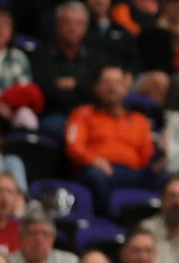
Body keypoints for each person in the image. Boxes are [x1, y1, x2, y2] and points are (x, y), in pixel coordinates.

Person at [65, 65, 159, 216]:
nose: (112, 87)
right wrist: (92, 160)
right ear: (96, 87)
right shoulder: (83, 114)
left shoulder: (140, 120)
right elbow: (73, 147)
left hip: (133, 174)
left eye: (117, 82)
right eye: (106, 82)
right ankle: (109, 220)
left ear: (126, 88)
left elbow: (146, 157)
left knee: (166, 177)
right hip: (99, 170)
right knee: (94, 175)